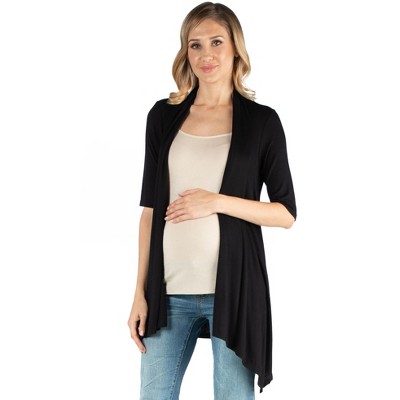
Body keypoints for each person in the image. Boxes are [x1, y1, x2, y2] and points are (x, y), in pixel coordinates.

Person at [127, 2, 297, 399]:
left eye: (217, 42)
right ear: (185, 52)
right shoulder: (163, 117)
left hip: (235, 293)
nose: (207, 54)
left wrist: (216, 201)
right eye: (196, 44)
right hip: (167, 292)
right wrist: (139, 292)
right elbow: (150, 212)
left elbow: (285, 213)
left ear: (235, 47)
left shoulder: (262, 122)